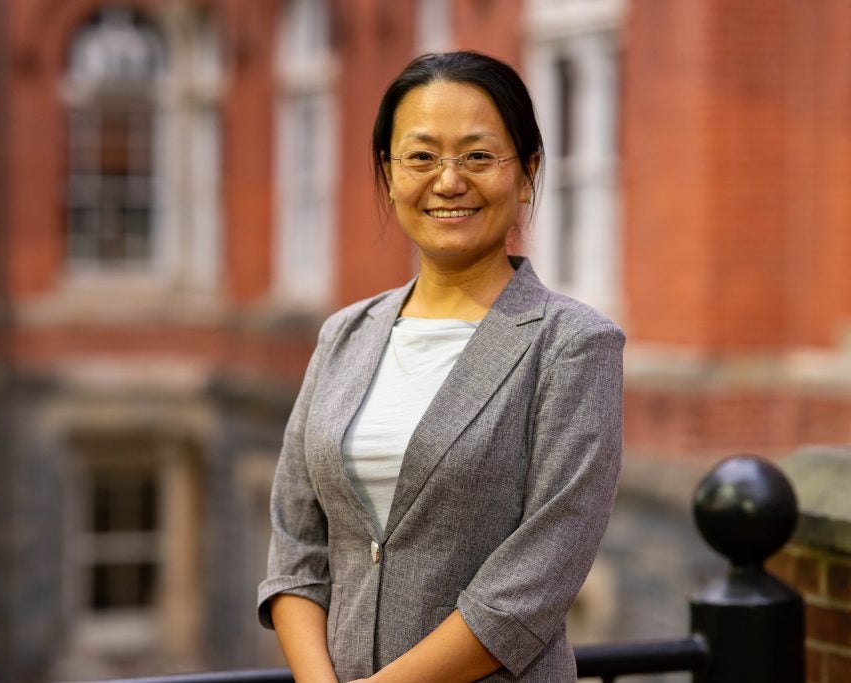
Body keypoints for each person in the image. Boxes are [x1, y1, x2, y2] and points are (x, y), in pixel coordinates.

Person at [257, 51, 624, 682]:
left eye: (478, 157)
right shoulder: (344, 335)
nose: (448, 181)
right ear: (389, 173)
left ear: (528, 170)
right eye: (421, 157)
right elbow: (296, 548)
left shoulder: (574, 344)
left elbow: (534, 580)